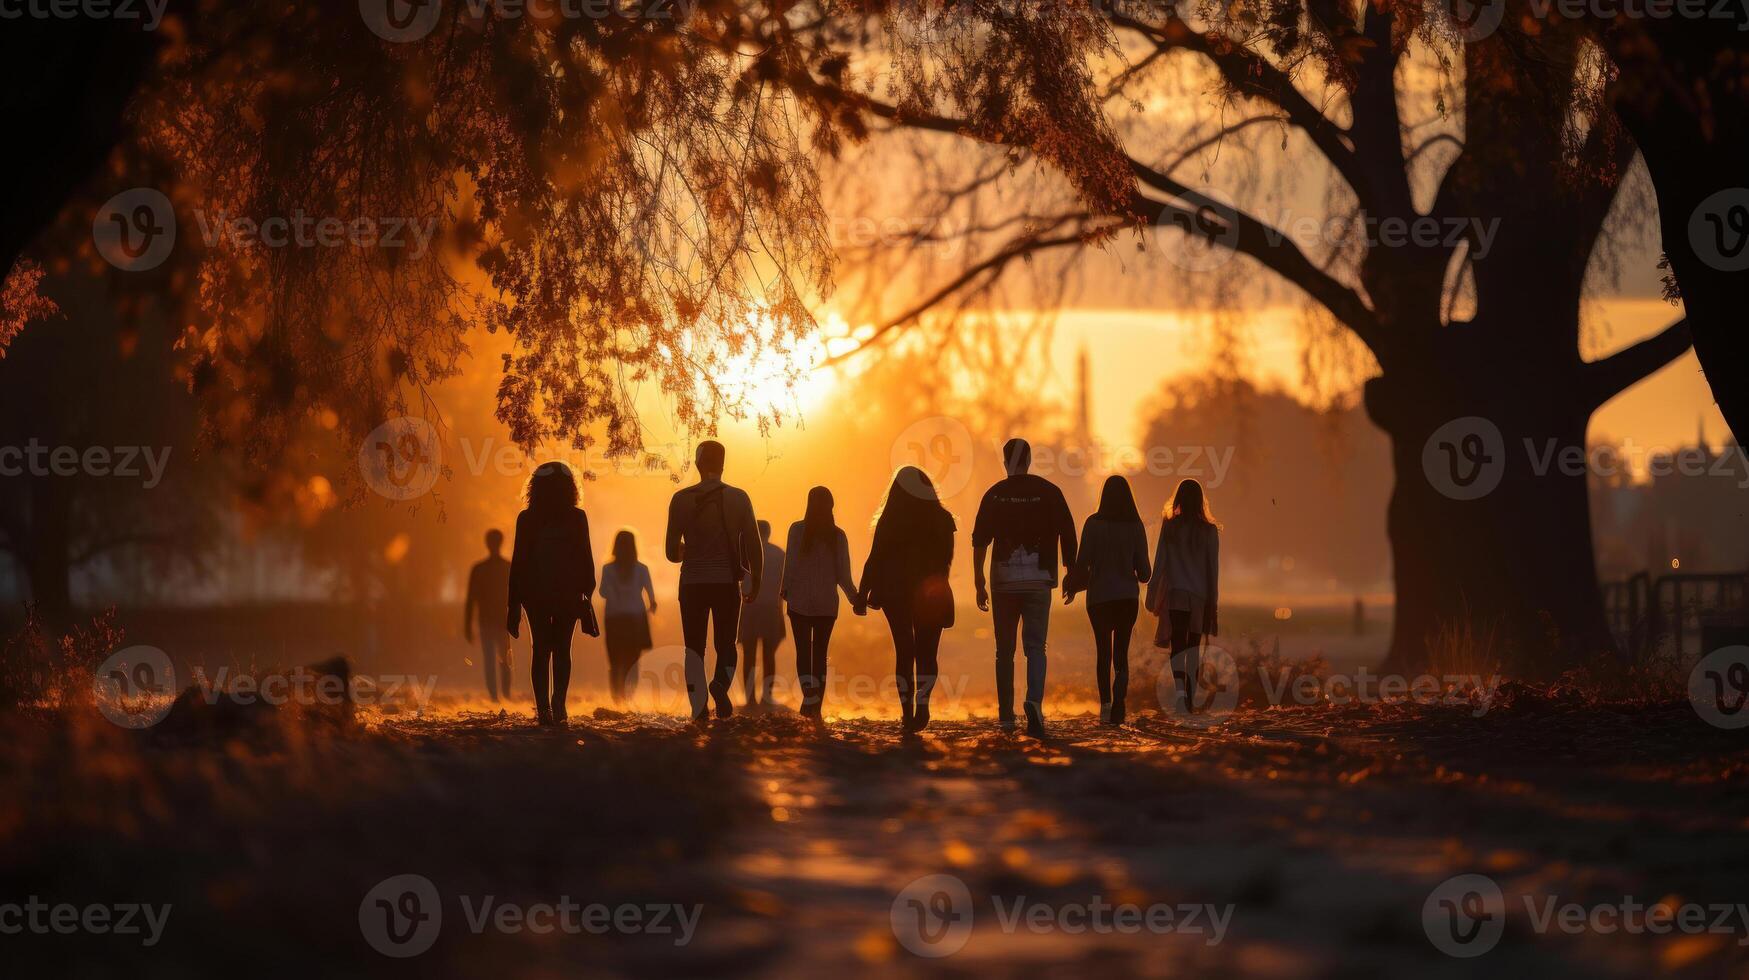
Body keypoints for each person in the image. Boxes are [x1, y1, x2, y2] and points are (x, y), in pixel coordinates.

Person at [971, 438, 1077, 737]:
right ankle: (1034, 702)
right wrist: (1071, 572)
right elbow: (1068, 532)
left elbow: (979, 541)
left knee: (1004, 651)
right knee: (1036, 647)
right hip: (1039, 580)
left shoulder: (994, 495)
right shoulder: (1049, 492)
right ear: (1029, 460)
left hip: (1003, 582)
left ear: (1005, 462)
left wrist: (978, 579)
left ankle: (1006, 716)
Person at [665, 440, 763, 722]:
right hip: (725, 584)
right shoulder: (739, 498)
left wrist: (690, 550)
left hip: (692, 584)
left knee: (694, 649)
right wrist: (755, 580)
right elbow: (754, 544)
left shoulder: (681, 499)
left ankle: (698, 708)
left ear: (697, 464)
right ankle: (720, 685)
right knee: (726, 645)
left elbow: (671, 553)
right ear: (723, 465)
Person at [860, 466, 956, 733]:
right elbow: (947, 559)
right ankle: (923, 704)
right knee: (927, 654)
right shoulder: (942, 518)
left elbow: (874, 558)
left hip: (895, 592)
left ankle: (906, 712)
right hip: (931, 593)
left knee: (905, 653)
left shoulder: (890, 520)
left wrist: (862, 593)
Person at [506, 462, 596, 726]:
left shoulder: (527, 518)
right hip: (568, 592)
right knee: (563, 649)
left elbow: (518, 563)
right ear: (570, 487)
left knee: (541, 650)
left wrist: (513, 604)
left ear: (535, 487)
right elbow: (586, 560)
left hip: (535, 594)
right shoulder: (577, 517)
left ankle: (543, 708)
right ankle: (559, 704)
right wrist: (586, 595)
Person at [1064, 476, 1150, 726]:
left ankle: (1105, 706)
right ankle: (1120, 696)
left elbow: (1082, 564)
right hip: (1126, 597)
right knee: (1121, 652)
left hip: (1099, 598)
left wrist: (1072, 585)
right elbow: (1145, 573)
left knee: (1103, 652)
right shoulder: (1135, 525)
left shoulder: (1093, 523)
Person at [781, 487, 864, 720]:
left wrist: (784, 591)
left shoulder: (797, 530)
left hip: (798, 601)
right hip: (827, 604)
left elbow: (790, 565)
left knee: (803, 652)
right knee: (820, 654)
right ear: (831, 506)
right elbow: (843, 575)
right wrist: (855, 599)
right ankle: (815, 708)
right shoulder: (838, 536)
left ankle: (808, 695)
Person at [1147, 478, 1221, 715]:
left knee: (1177, 646)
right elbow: (1213, 570)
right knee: (1193, 647)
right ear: (1200, 501)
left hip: (1176, 594)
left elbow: (1160, 563)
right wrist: (1213, 603)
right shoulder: (1209, 531)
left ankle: (1181, 692)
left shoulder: (1170, 527)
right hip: (1199, 596)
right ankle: (1189, 696)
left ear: (1178, 498)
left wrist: (1151, 593)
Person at [598, 529, 657, 703]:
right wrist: (652, 605)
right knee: (632, 662)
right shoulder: (642, 569)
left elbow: (602, 592)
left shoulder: (608, 569)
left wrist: (614, 592)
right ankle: (627, 698)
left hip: (614, 618)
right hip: (635, 619)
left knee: (616, 661)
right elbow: (651, 595)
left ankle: (618, 698)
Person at [738, 520, 787, 708]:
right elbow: (785, 584)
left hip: (749, 606)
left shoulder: (745, 554)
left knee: (748, 655)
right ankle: (767, 697)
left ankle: (750, 699)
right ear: (769, 533)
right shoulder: (779, 554)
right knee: (769, 654)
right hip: (771, 608)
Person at [463, 529, 514, 701]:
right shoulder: (507, 567)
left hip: (493, 621)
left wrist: (468, 624)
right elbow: (515, 597)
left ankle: (498, 695)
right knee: (502, 659)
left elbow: (471, 599)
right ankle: (501, 695)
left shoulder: (479, 569)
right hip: (499, 621)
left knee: (493, 660)